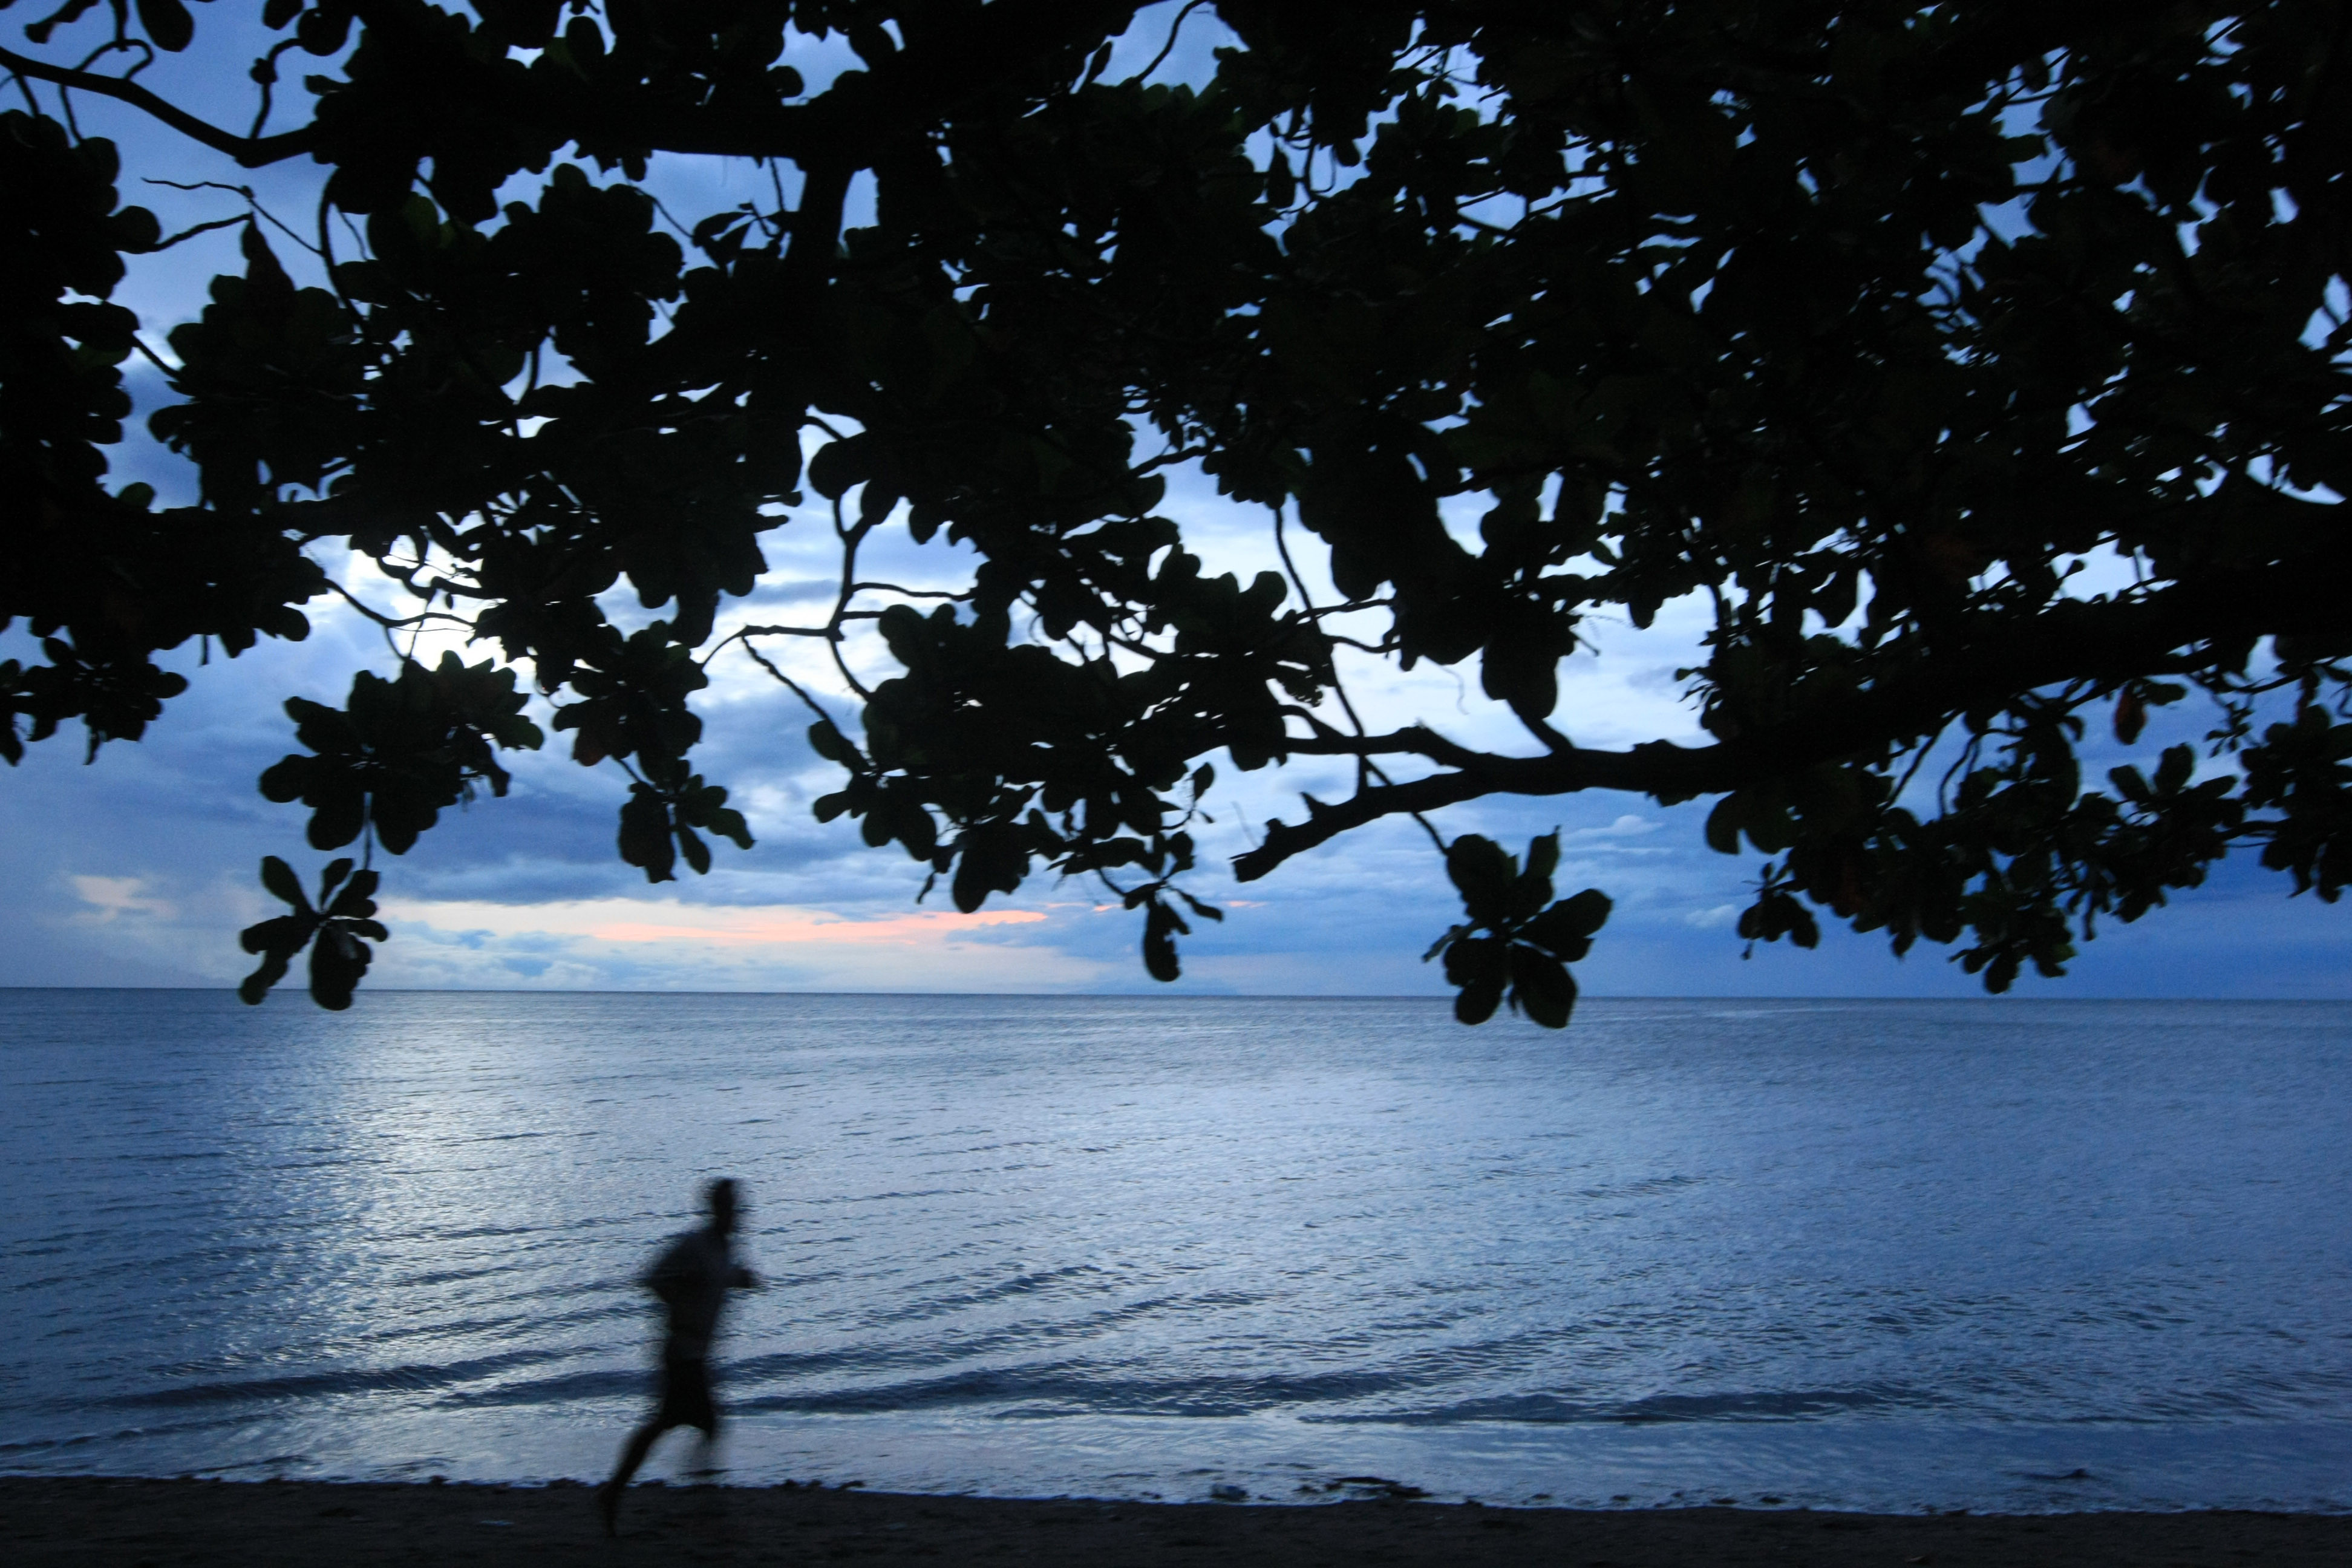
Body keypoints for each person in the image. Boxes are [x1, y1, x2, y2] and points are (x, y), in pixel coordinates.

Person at [599, 1177, 760, 1535]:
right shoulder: (694, 1244)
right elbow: (652, 1278)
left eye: (737, 1207)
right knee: (702, 1422)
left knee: (669, 1423)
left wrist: (740, 1279)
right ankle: (699, 1490)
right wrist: (677, 1302)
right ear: (716, 1210)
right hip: (682, 1351)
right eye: (730, 1207)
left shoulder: (723, 1249)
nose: (737, 1214)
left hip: (696, 1353)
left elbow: (715, 1278)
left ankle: (618, 1491)